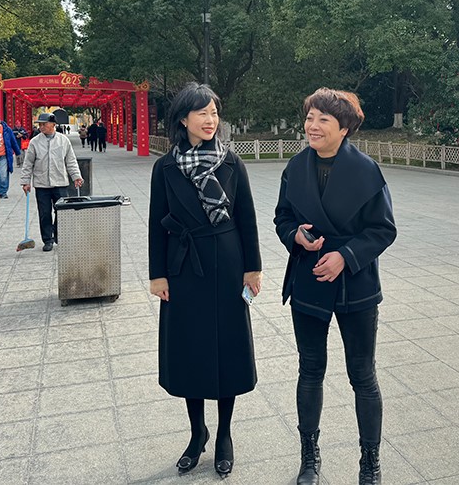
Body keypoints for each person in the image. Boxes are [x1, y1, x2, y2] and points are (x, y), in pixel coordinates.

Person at [273, 88, 397, 485]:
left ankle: (370, 461)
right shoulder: (295, 167)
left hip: (355, 285)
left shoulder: (366, 171)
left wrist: (346, 255)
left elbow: (383, 229)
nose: (312, 126)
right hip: (309, 279)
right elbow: (282, 217)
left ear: (344, 128)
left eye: (322, 119)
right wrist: (295, 236)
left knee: (362, 374)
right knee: (310, 369)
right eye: (309, 117)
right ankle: (309, 457)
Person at [148, 82, 262, 479]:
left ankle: (225, 434)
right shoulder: (165, 167)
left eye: (214, 112)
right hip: (184, 267)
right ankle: (198, 433)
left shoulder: (232, 161)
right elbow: (156, 224)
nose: (210, 120)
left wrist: (253, 268)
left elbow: (247, 218)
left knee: (227, 349)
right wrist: (157, 274)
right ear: (183, 119)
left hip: (228, 263)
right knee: (190, 350)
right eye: (202, 113)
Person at [20, 112, 83, 252]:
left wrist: (76, 176)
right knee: (44, 213)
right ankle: (47, 239)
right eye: (40, 124)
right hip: (41, 184)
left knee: (62, 211)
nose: (41, 127)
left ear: (53, 125)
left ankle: (59, 236)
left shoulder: (63, 140)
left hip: (60, 182)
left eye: (44, 124)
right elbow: (28, 163)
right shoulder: (34, 142)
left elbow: (71, 161)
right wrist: (25, 181)